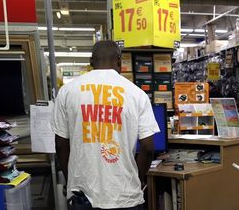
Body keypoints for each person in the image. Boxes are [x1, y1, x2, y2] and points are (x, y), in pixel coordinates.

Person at [50, 40, 160, 209]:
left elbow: (60, 144)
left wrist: (71, 179)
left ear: (91, 62)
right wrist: (137, 179)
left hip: (83, 195)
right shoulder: (137, 94)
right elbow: (148, 147)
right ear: (120, 62)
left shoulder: (68, 91)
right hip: (125, 196)